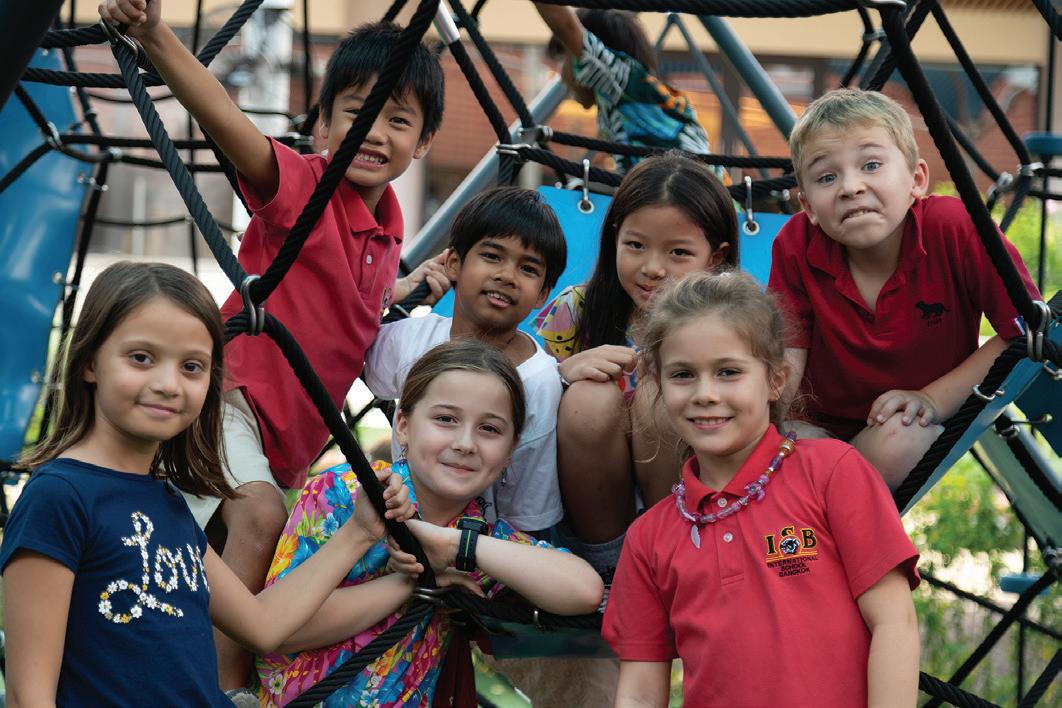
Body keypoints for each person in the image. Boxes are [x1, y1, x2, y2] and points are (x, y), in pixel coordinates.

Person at [99, 0, 445, 689]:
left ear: (425, 141)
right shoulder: (305, 188)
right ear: (322, 126)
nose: (374, 134)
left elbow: (350, 304)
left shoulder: (388, 232)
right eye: (357, 113)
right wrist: (155, 34)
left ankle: (160, 663)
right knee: (259, 514)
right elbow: (226, 120)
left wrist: (410, 287)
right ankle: (229, 692)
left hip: (289, 440)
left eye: (398, 121)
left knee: (228, 550)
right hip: (230, 400)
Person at [0, 262, 414, 706]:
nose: (168, 384)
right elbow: (29, 696)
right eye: (141, 358)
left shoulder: (165, 500)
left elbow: (262, 623)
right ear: (89, 363)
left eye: (192, 367)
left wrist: (362, 534)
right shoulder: (59, 498)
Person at [603, 270, 921, 707]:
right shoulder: (648, 538)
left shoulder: (833, 472)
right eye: (683, 375)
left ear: (775, 380)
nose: (705, 393)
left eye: (728, 372)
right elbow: (640, 693)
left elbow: (895, 623)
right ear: (658, 382)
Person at [256, 339, 604, 706]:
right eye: (446, 419)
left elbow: (584, 591)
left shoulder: (479, 538)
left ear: (510, 451)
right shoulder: (343, 492)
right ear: (403, 425)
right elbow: (282, 630)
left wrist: (456, 545)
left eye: (489, 429)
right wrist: (417, 585)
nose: (466, 443)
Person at [768, 88, 1041, 488]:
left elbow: (1026, 332)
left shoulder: (954, 228)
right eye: (827, 177)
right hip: (818, 429)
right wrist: (767, 425)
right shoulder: (795, 245)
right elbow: (787, 358)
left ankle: (846, 508)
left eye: (871, 165)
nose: (850, 187)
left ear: (917, 180)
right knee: (775, 442)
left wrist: (931, 398)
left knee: (900, 439)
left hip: (908, 423)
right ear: (808, 205)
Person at [534, 151, 737, 579]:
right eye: (635, 245)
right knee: (587, 398)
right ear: (614, 238)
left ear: (715, 258)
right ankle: (609, 567)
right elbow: (521, 406)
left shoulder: (734, 325)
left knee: (657, 397)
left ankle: (673, 560)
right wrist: (560, 375)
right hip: (591, 505)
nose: (652, 268)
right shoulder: (576, 311)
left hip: (699, 503)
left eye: (678, 252)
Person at [364, 186, 567, 534]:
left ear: (543, 294)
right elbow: (341, 350)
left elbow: (527, 514)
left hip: (482, 546)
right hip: (396, 523)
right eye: (492, 256)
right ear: (454, 264)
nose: (507, 276)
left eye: (528, 269)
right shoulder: (412, 340)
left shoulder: (537, 380)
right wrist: (396, 291)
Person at [532, 4, 711, 173]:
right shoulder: (632, 97)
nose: (560, 77)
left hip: (688, 189)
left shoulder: (621, 80)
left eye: (563, 56)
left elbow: (565, 25)